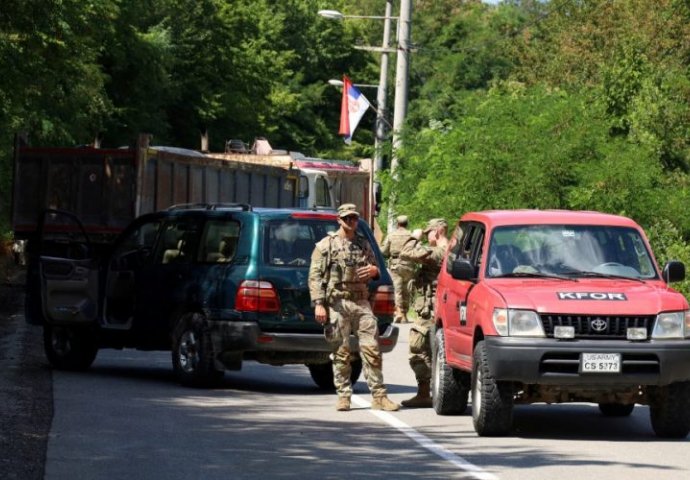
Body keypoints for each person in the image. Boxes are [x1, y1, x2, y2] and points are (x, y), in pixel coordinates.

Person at [308, 203, 400, 412]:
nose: (351, 222)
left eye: (354, 218)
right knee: (341, 352)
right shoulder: (326, 246)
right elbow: (315, 277)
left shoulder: (363, 244)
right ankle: (343, 395)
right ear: (339, 220)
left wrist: (374, 271)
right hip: (338, 303)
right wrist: (319, 304)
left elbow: (376, 269)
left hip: (361, 302)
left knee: (372, 349)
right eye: (347, 218)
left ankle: (379, 396)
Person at [398, 218, 448, 408]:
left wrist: (414, 236)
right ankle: (429, 391)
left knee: (419, 349)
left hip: (431, 311)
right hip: (434, 308)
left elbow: (406, 252)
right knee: (432, 351)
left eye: (429, 233)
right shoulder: (451, 250)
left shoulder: (441, 251)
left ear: (438, 232)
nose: (427, 236)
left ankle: (424, 392)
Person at [380, 215, 417, 324]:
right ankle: (405, 314)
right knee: (407, 290)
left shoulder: (391, 235)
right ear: (407, 224)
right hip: (409, 265)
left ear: (397, 224)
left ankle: (399, 312)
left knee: (397, 289)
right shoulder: (411, 235)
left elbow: (384, 251)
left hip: (396, 265)